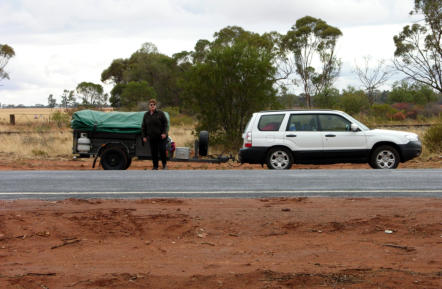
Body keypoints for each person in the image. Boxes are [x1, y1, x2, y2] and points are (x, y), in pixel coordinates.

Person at [142, 99, 168, 170]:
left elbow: (165, 124)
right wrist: (144, 136)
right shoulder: (146, 115)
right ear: (149, 106)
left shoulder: (160, 113)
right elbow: (143, 126)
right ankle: (155, 166)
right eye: (151, 105)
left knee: (162, 150)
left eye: (154, 105)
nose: (152, 106)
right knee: (154, 152)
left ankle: (164, 165)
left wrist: (164, 133)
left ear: (156, 106)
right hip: (152, 137)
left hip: (161, 136)